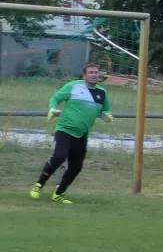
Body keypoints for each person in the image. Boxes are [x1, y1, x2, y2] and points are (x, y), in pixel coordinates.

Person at [29, 63, 113, 204]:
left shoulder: (102, 93)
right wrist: (52, 109)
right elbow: (55, 98)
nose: (94, 75)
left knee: (76, 166)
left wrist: (107, 116)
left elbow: (107, 110)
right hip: (65, 129)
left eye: (96, 72)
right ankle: (38, 185)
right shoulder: (74, 86)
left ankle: (59, 194)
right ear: (84, 75)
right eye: (91, 72)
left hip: (82, 134)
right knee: (59, 156)